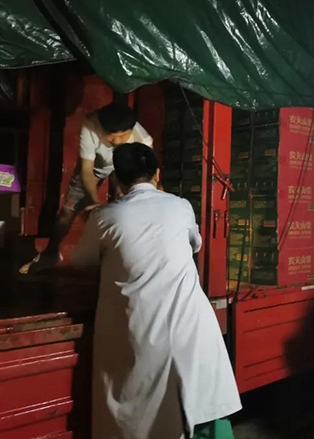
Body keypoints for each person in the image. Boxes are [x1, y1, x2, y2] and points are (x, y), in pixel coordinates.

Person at [68, 143, 241, 438]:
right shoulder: (181, 206)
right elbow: (194, 244)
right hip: (191, 329)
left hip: (142, 333)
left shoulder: (105, 217)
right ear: (157, 174)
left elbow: (79, 262)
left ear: (116, 179)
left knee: (146, 424)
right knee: (200, 414)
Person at [20, 102, 153, 274]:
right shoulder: (90, 125)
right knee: (67, 211)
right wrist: (92, 201)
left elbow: (147, 176)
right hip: (95, 168)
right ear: (101, 129)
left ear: (132, 129)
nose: (118, 141)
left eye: (123, 136)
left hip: (123, 168)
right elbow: (86, 170)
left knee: (126, 207)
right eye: (112, 137)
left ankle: (121, 258)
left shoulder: (143, 140)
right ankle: (50, 253)